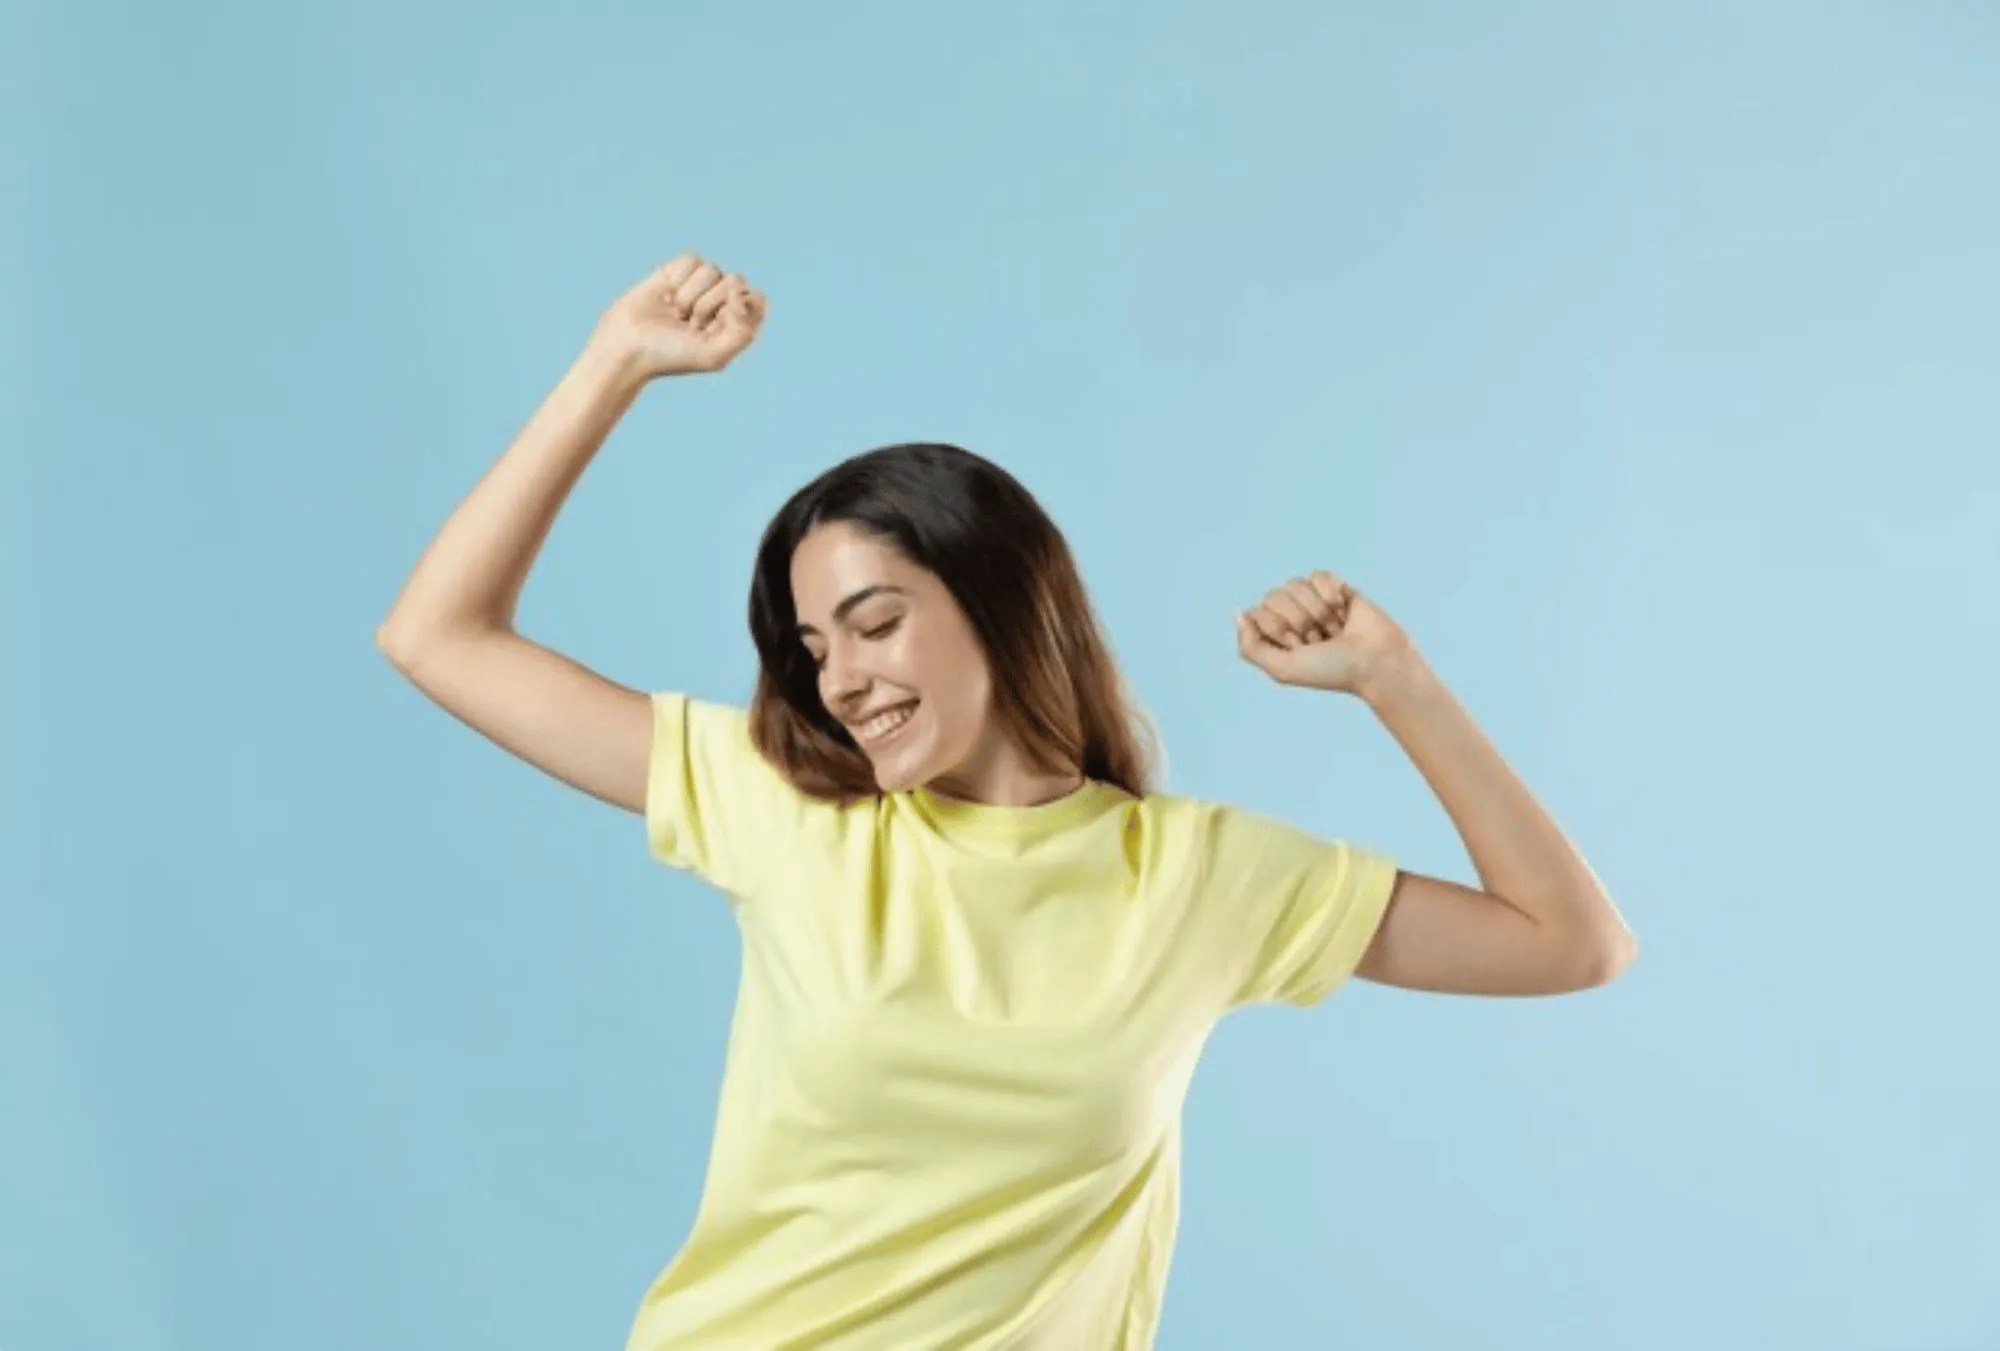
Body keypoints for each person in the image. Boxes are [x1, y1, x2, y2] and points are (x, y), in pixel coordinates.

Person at [376, 253, 1637, 1350]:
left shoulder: (1198, 878)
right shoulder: (783, 802)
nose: (843, 677)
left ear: (999, 604)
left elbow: (1568, 942)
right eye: (813, 645)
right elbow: (440, 636)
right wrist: (616, 361)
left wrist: (1393, 679)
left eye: (875, 623)